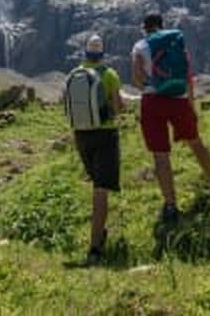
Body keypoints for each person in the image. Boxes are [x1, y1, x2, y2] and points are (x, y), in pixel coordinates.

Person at [132, 13, 210, 225]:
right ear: (162, 25)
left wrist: (150, 86)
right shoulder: (175, 41)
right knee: (195, 141)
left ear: (145, 28)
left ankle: (171, 205)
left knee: (161, 155)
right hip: (179, 100)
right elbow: (187, 75)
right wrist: (190, 103)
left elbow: (136, 79)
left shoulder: (139, 46)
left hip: (152, 101)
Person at [66, 35, 125, 264]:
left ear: (85, 52)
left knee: (96, 183)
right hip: (105, 135)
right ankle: (94, 248)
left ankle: (100, 232)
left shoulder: (75, 74)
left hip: (81, 136)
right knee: (101, 191)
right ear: (102, 53)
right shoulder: (109, 75)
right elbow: (118, 108)